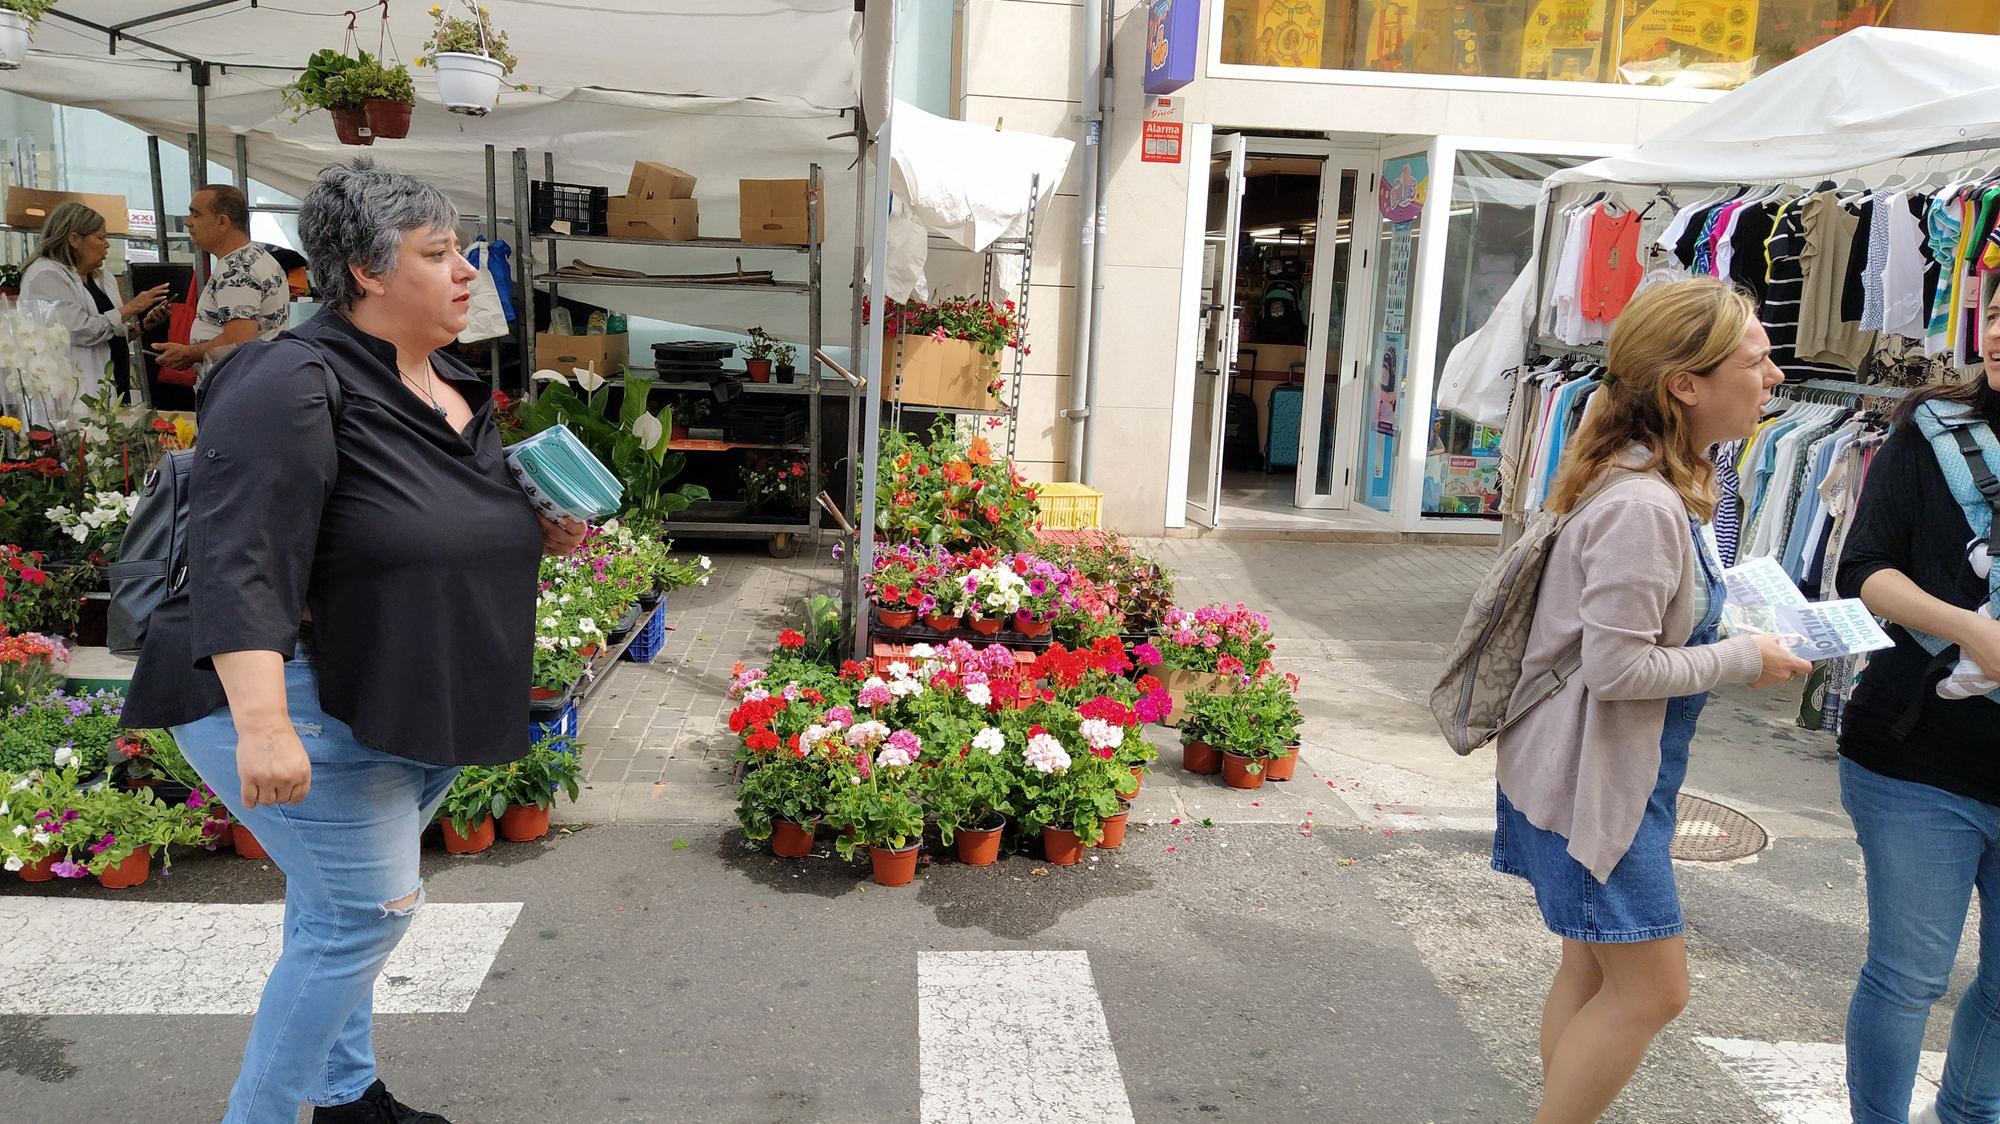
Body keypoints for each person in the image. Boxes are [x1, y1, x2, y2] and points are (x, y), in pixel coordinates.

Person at [119, 157, 586, 1124]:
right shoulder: (286, 379)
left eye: (461, 250)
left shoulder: (449, 380)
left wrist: (529, 525)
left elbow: (426, 514)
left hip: (411, 694)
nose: (467, 272)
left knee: (328, 905)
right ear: (368, 274)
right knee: (358, 917)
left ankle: (346, 1098)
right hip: (304, 695)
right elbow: (238, 555)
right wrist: (262, 725)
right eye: (438, 253)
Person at [1492, 277, 1809, 1124]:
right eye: (1758, 358)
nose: (1776, 374)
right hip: (1596, 784)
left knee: (1593, 970)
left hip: (1593, 772)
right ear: (1685, 384)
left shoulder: (1645, 478)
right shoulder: (1644, 504)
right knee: (1654, 991)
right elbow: (1620, 669)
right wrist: (1743, 656)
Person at [1835, 282, 2000, 1124]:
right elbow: (1861, 569)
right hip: (1916, 752)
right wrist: (1972, 633)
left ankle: (1970, 1114)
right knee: (1909, 978)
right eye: (1999, 315)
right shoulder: (1931, 434)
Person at [17, 201, 171, 404]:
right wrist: (131, 307)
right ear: (74, 239)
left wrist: (141, 326)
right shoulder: (46, 275)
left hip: (113, 385)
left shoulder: (100, 277)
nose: (106, 244)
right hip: (75, 392)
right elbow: (78, 330)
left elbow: (109, 334)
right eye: (100, 237)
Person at [150, 183, 289, 383]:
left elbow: (239, 341)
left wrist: (189, 354)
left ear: (222, 222)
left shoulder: (237, 270)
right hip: (251, 382)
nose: (187, 222)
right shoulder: (253, 257)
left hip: (236, 388)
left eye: (196, 215)